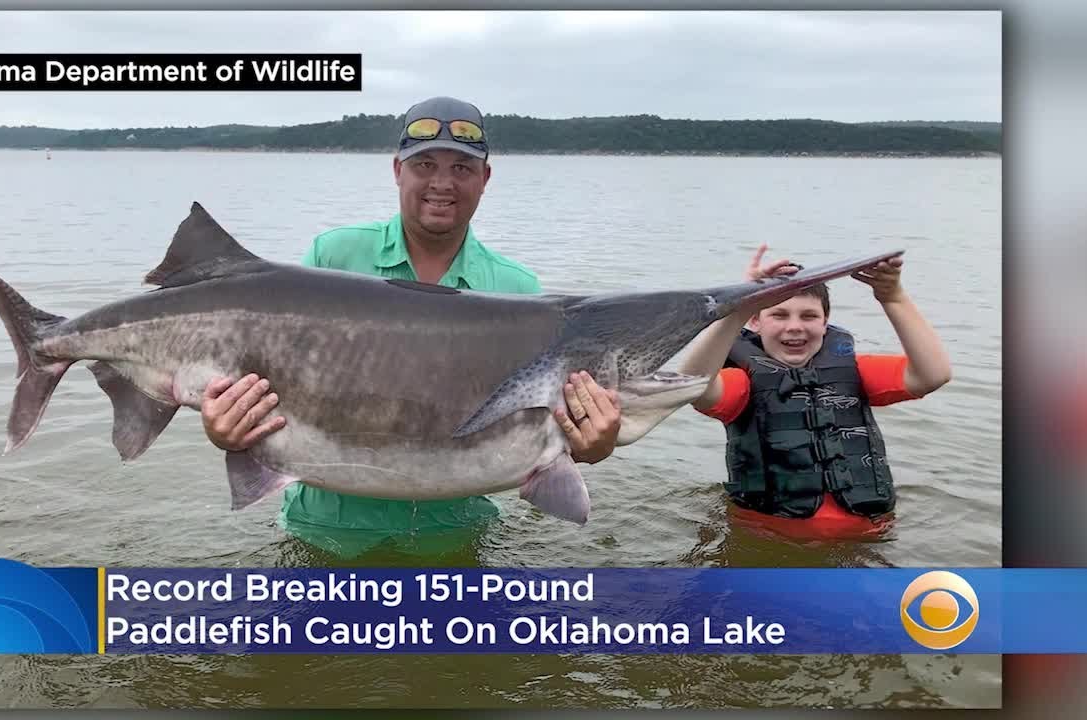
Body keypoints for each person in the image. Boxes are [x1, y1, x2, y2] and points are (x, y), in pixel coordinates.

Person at [197, 96, 622, 555]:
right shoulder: (333, 258)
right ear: (398, 171)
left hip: (455, 538)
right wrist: (225, 430)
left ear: (485, 179)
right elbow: (273, 386)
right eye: (424, 164)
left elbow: (543, 426)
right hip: (324, 534)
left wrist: (591, 446)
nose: (442, 183)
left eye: (462, 167)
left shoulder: (517, 290)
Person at [678, 244, 952, 540]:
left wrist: (892, 297)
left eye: (808, 316)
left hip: (864, 537)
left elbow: (933, 375)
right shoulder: (742, 383)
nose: (794, 327)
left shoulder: (856, 372)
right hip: (769, 536)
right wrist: (738, 308)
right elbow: (691, 385)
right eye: (779, 315)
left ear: (825, 322)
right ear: (755, 322)